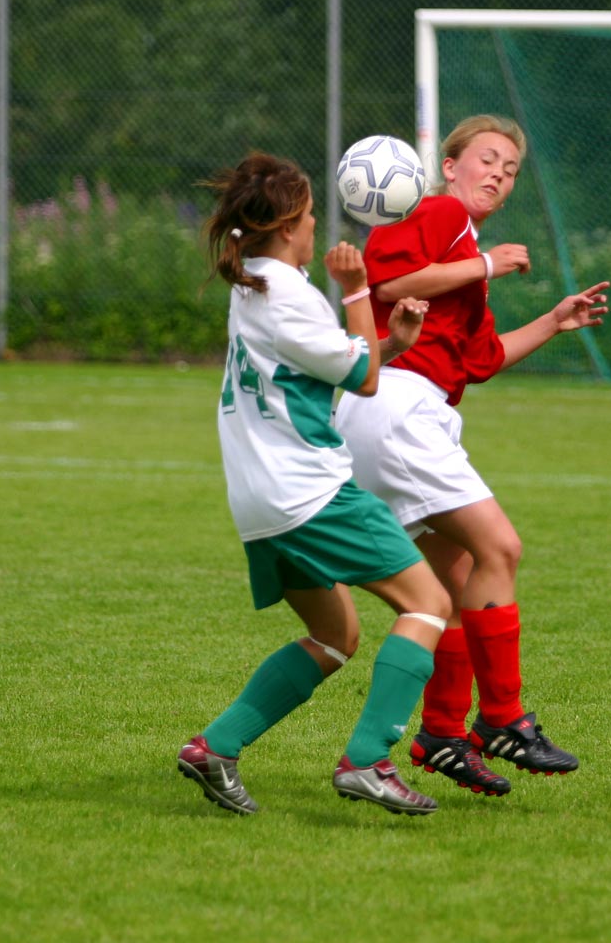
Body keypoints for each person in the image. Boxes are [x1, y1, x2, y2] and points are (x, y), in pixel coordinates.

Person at [332, 115, 609, 798]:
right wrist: (486, 262)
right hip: (397, 404)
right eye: (488, 158)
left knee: (456, 583)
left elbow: (480, 360)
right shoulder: (435, 209)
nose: (499, 174)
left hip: (399, 411)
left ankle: (443, 734)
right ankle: (506, 718)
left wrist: (553, 320)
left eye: (511, 169)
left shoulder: (463, 260)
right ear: (448, 165)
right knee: (501, 549)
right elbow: (387, 286)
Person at [176, 152, 454, 817]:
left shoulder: (253, 286)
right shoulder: (288, 294)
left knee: (336, 636)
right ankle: (367, 761)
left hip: (263, 500)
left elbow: (328, 372)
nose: (316, 232)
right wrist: (359, 291)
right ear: (287, 227)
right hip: (311, 493)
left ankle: (216, 746)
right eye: (308, 219)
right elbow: (359, 379)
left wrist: (393, 343)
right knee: (428, 605)